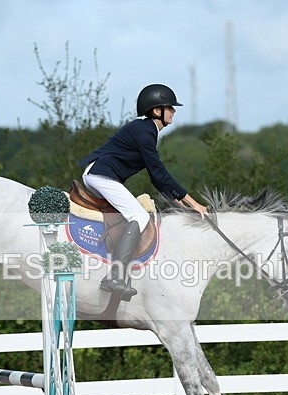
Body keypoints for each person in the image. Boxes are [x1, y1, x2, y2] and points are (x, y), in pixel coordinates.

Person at [78, 83, 209, 297]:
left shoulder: (146, 130)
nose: (174, 111)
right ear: (157, 111)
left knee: (131, 215)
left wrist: (178, 201)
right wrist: (195, 204)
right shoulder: (145, 131)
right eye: (170, 107)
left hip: (101, 176)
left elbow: (156, 177)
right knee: (138, 216)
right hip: (101, 176)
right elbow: (159, 172)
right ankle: (115, 276)